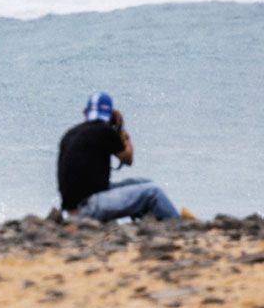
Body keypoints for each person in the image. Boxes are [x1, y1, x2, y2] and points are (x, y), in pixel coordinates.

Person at [56, 92, 183, 222]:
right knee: (153, 193)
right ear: (110, 115)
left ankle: (151, 222)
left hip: (70, 208)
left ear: (86, 112)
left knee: (143, 183)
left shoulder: (70, 134)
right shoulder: (104, 130)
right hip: (88, 207)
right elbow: (128, 158)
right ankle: (179, 225)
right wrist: (122, 128)